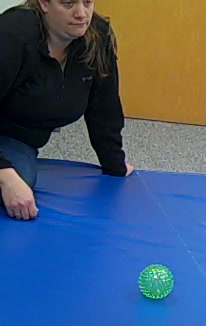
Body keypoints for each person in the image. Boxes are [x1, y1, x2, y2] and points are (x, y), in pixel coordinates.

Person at [0, 0, 133, 221]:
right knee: (11, 184)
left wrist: (114, 162)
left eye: (87, 2)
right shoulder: (11, 34)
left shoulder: (97, 36)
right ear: (44, 3)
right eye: (68, 3)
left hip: (17, 139)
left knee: (22, 179)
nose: (81, 14)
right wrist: (4, 175)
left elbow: (104, 108)